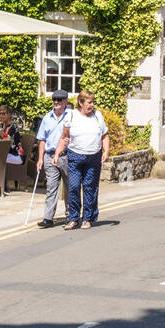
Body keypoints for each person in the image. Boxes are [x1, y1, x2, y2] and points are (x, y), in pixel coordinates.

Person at [55, 90, 109, 230]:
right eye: (89, 102)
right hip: (75, 156)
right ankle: (73, 219)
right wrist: (57, 154)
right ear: (81, 103)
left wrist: (106, 151)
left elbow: (104, 135)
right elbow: (64, 137)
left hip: (93, 156)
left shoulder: (98, 116)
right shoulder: (71, 116)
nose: (92, 105)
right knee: (73, 187)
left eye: (93, 102)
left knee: (89, 188)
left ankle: (87, 219)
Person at [34, 90, 72, 228]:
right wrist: (40, 159)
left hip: (67, 156)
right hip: (49, 156)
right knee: (51, 188)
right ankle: (48, 218)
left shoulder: (72, 116)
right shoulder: (47, 117)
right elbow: (42, 140)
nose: (56, 102)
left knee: (69, 187)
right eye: (54, 100)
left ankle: (70, 216)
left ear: (66, 101)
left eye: (59, 100)